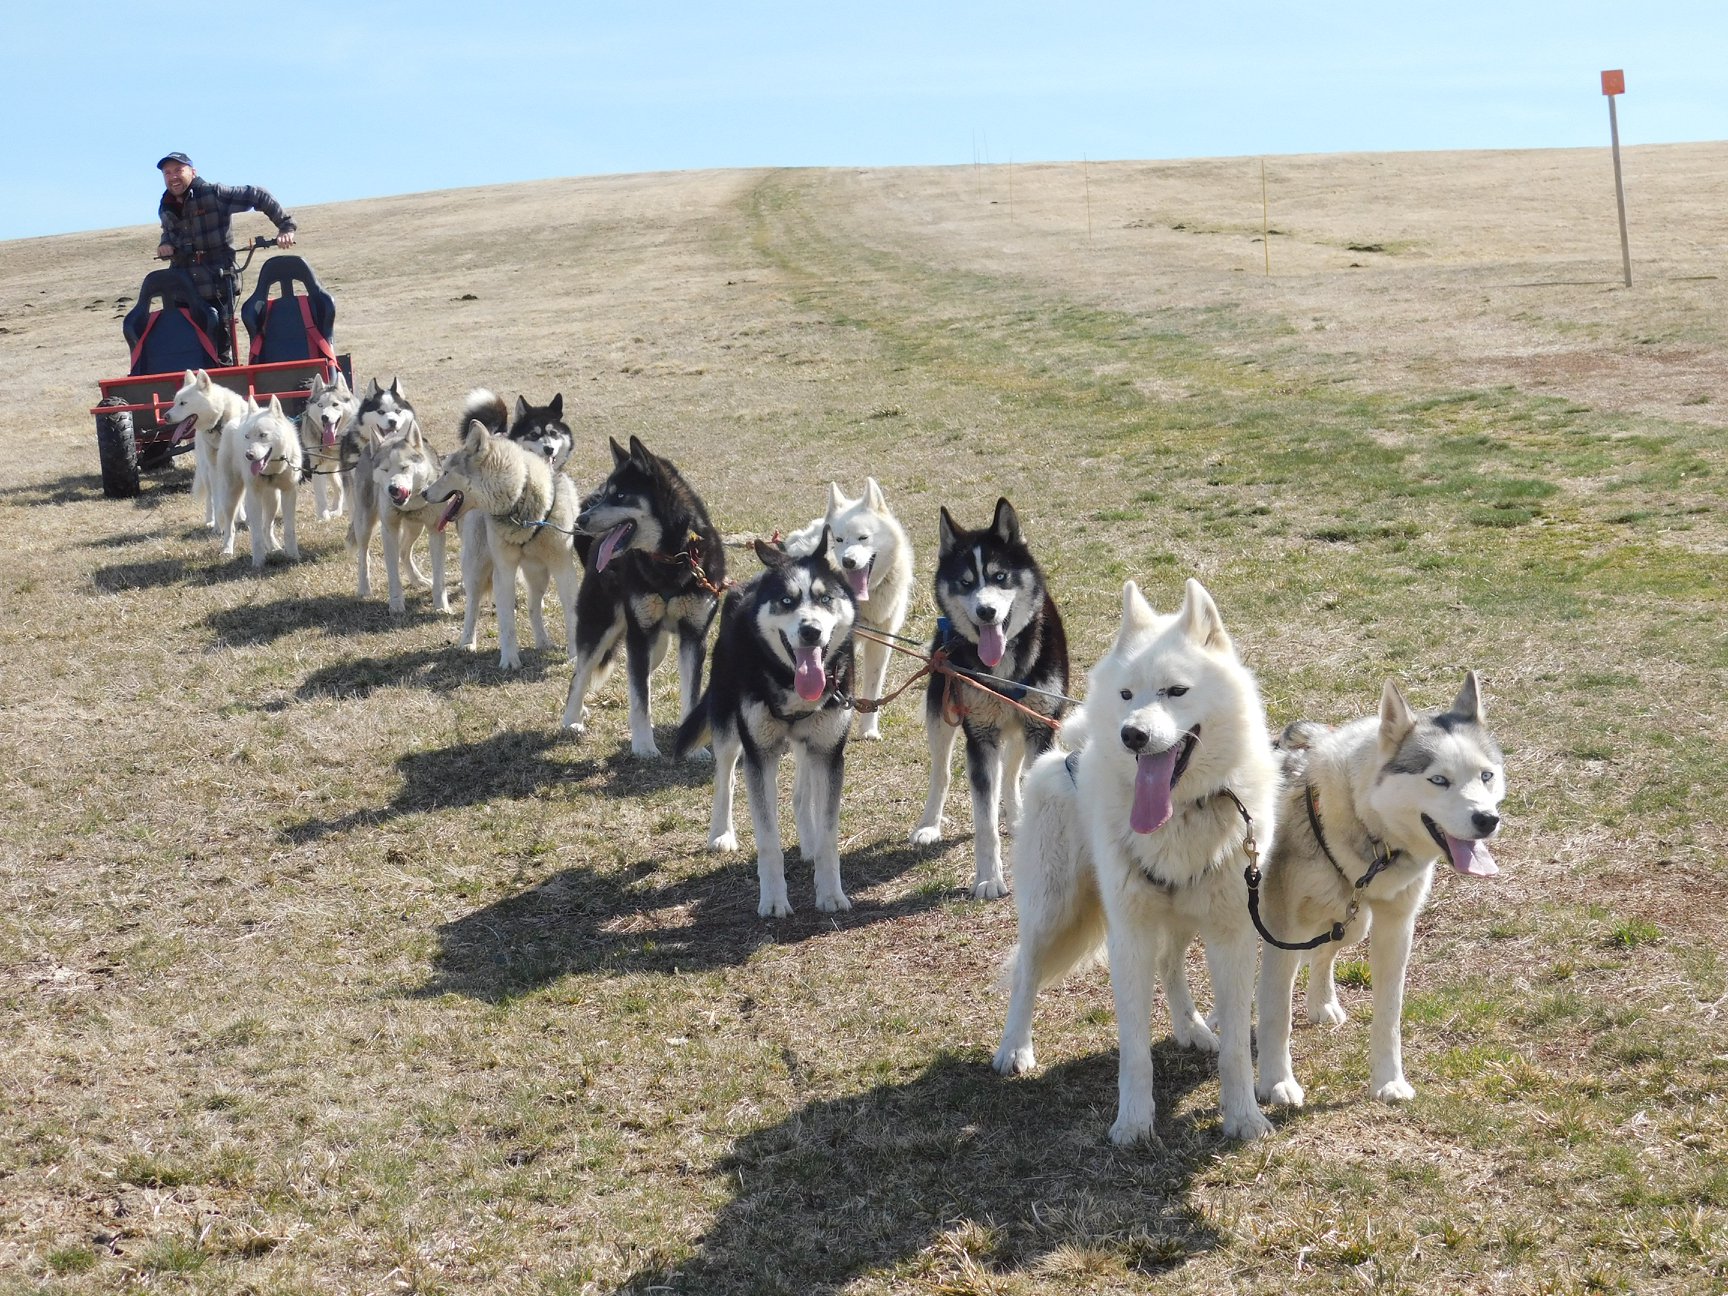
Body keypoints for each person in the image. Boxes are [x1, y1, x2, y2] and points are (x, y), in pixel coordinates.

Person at [154, 152, 298, 363]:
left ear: (193, 172)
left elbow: (259, 195)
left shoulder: (214, 194)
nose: (173, 176)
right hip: (182, 288)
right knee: (185, 344)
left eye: (178, 170)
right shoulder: (165, 204)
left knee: (219, 342)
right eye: (167, 172)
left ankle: (222, 380)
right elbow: (170, 232)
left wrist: (286, 227)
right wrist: (165, 244)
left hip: (217, 283)